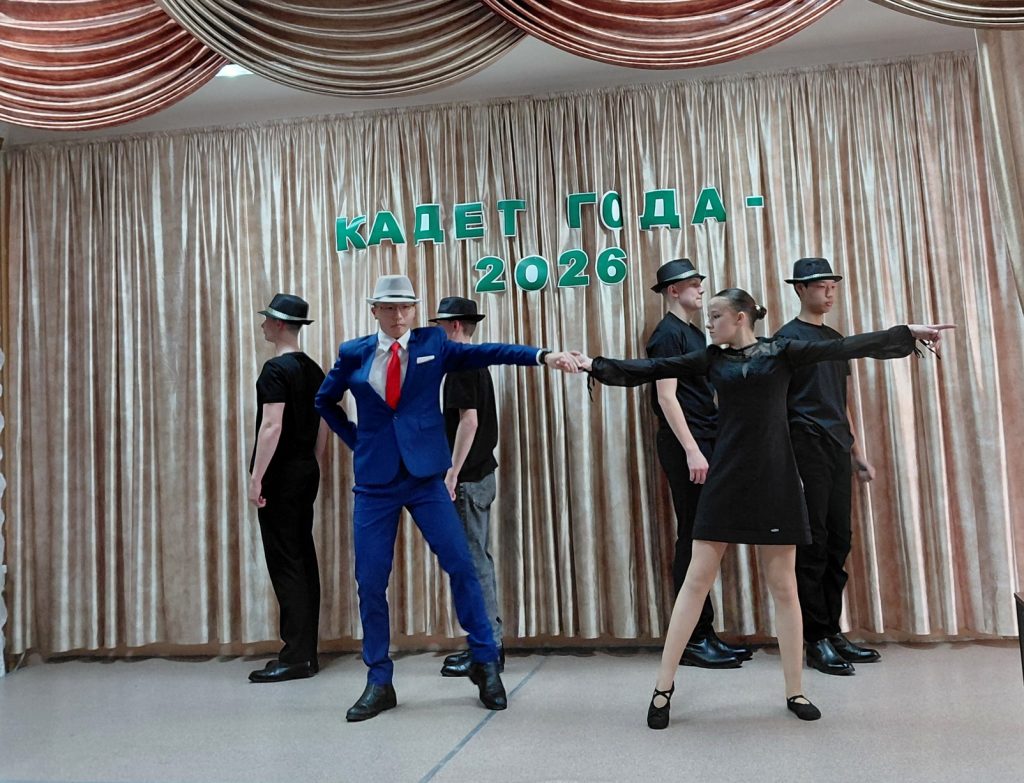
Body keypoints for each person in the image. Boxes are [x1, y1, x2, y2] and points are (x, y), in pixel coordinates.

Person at [575, 288, 951, 727]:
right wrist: (594, 364)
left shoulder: (783, 352)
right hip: (726, 480)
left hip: (776, 482)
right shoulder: (711, 358)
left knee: (784, 588)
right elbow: (655, 368)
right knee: (695, 583)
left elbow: (845, 346)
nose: (709, 323)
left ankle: (795, 691)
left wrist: (906, 333)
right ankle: (663, 687)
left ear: (740, 317)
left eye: (716, 315)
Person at [315, 275, 578, 721]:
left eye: (405, 307)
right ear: (374, 310)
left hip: (425, 478)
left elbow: (488, 352)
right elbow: (325, 401)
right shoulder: (353, 352)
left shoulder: (433, 344)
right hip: (375, 483)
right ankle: (379, 680)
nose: (398, 316)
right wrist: (357, 441)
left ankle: (485, 663)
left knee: (462, 565)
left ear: (415, 310)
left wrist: (542, 355)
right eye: (388, 307)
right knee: (371, 582)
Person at [775, 257, 881, 675]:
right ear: (800, 289)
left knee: (839, 541)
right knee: (813, 544)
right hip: (805, 448)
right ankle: (815, 638)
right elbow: (777, 404)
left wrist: (857, 453)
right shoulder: (786, 340)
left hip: (838, 448)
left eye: (833, 285)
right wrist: (787, 465)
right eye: (821, 286)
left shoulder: (836, 340)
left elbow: (842, 400)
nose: (829, 292)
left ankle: (832, 631)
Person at [646, 259, 751, 669]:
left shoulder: (692, 333)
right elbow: (666, 396)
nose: (701, 290)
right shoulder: (667, 335)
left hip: (706, 440)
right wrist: (691, 449)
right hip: (687, 444)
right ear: (673, 291)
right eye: (693, 284)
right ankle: (693, 638)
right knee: (692, 535)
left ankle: (703, 632)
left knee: (704, 536)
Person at [248, 293, 328, 683]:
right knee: (303, 559)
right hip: (305, 470)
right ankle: (305, 652)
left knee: (286, 562)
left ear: (279, 324)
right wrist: (313, 461)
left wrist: (256, 477)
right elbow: (324, 424)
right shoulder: (314, 370)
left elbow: (271, 426)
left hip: (280, 477)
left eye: (267, 319)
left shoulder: (275, 370)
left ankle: (295, 656)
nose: (263, 324)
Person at [428, 296, 505, 678]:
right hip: (481, 475)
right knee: (477, 561)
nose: (438, 332)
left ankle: (487, 649)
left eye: (441, 325)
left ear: (455, 326)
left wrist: (452, 473)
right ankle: (487, 645)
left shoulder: (460, 365)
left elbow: (469, 421)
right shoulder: (476, 362)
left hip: (469, 479)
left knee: (473, 565)